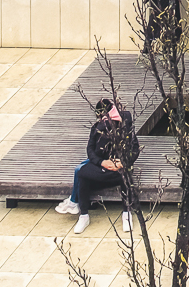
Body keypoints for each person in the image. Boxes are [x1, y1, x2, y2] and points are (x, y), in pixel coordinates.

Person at [56, 97, 141, 234]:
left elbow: (135, 148)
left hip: (119, 165)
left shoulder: (125, 125)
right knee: (81, 172)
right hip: (102, 163)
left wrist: (123, 162)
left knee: (125, 176)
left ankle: (127, 213)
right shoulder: (96, 128)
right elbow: (90, 150)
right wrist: (102, 162)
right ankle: (83, 215)